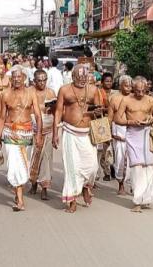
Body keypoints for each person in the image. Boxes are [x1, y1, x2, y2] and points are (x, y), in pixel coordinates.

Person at [52, 65, 101, 213]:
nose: (81, 80)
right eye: (78, 77)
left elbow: (100, 112)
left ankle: (86, 186)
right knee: (72, 168)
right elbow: (59, 111)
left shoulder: (93, 90)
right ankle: (72, 199)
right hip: (70, 132)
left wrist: (97, 112)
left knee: (92, 167)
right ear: (72, 76)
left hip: (87, 133)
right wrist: (55, 133)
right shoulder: (65, 90)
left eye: (84, 78)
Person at [0, 69, 43, 212]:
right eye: (14, 77)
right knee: (14, 166)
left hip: (26, 133)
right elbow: (2, 117)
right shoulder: (5, 94)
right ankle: (20, 200)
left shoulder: (31, 93)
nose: (16, 80)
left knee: (24, 167)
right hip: (10, 133)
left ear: (24, 78)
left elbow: (38, 116)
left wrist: (38, 135)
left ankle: (18, 190)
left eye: (19, 77)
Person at [115, 76, 153, 212]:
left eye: (143, 91)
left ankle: (146, 197)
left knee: (150, 166)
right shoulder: (126, 100)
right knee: (137, 167)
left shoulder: (151, 100)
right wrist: (131, 122)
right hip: (132, 135)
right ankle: (137, 201)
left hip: (147, 133)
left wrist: (150, 120)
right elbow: (118, 119)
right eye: (137, 91)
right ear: (133, 89)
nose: (140, 94)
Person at [28, 69, 57, 200]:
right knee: (33, 157)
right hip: (32, 129)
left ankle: (44, 188)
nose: (42, 82)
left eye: (44, 79)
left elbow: (57, 112)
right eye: (39, 80)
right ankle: (33, 182)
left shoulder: (50, 92)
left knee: (47, 158)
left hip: (48, 128)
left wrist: (56, 133)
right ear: (34, 81)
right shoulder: (29, 92)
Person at [108, 75, 132, 195]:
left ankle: (134, 185)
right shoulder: (114, 99)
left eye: (130, 85)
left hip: (133, 133)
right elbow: (110, 118)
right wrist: (108, 134)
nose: (128, 88)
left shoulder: (135, 98)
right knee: (120, 161)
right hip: (119, 133)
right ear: (120, 86)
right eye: (126, 85)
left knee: (134, 161)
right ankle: (121, 184)